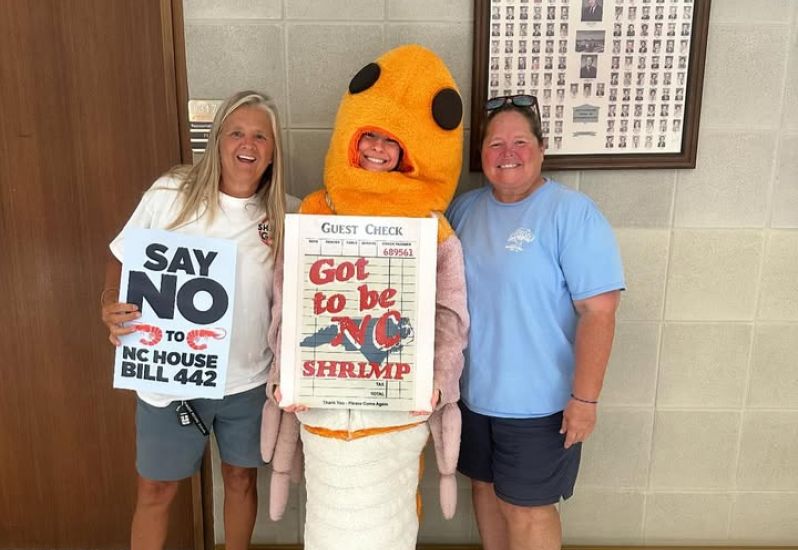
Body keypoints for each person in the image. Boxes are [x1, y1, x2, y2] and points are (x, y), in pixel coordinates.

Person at [262, 45, 468, 550]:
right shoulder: (317, 212)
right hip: (322, 410)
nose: (377, 148)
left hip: (393, 417)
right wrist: (286, 372)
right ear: (351, 139)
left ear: (410, 151)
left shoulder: (432, 229)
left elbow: (449, 315)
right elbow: (289, 300)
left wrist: (438, 380)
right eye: (369, 135)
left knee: (387, 526)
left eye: (391, 140)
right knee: (328, 526)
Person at [100, 91, 298, 550]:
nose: (247, 144)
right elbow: (121, 256)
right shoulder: (170, 194)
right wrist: (109, 302)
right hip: (169, 377)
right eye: (236, 132)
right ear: (217, 141)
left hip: (247, 381)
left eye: (260, 136)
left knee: (241, 480)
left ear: (273, 151)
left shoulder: (288, 213)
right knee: (156, 489)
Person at [446, 94, 625, 550]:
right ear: (481, 154)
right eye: (495, 143)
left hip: (541, 407)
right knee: (485, 492)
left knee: (526, 510)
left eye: (520, 142)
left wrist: (585, 400)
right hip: (474, 398)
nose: (507, 153)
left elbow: (600, 313)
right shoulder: (463, 211)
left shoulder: (572, 213)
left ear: (542, 148)